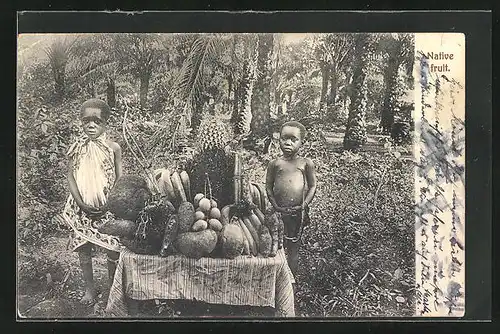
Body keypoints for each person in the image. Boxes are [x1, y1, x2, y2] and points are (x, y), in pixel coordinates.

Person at [61, 98, 123, 305]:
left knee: (112, 247)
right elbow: (70, 176)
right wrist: (80, 202)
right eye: (86, 121)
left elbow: (119, 178)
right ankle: (89, 290)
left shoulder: (113, 148)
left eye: (97, 121)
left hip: (107, 207)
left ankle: (112, 291)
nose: (91, 125)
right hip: (81, 208)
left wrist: (111, 203)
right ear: (81, 122)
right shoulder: (76, 148)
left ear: (105, 123)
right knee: (83, 248)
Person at [265, 121, 317, 283]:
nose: (288, 143)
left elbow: (313, 185)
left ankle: (291, 279)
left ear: (302, 142)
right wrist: (275, 205)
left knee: (293, 246)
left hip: (297, 212)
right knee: (276, 245)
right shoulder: (275, 164)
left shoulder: (305, 163)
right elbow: (268, 187)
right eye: (284, 138)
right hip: (278, 212)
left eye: (293, 139)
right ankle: (276, 280)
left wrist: (303, 205)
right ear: (278, 140)